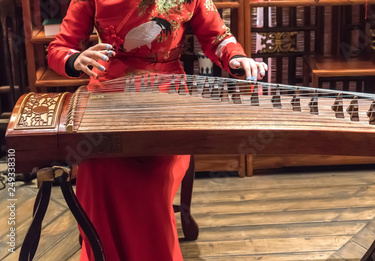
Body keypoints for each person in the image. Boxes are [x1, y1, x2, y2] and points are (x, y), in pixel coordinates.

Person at [47, 0, 267, 260]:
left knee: (152, 179)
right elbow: (59, 48)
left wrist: (237, 58)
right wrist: (75, 60)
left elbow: (218, 38)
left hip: (167, 101)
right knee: (98, 169)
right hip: (108, 99)